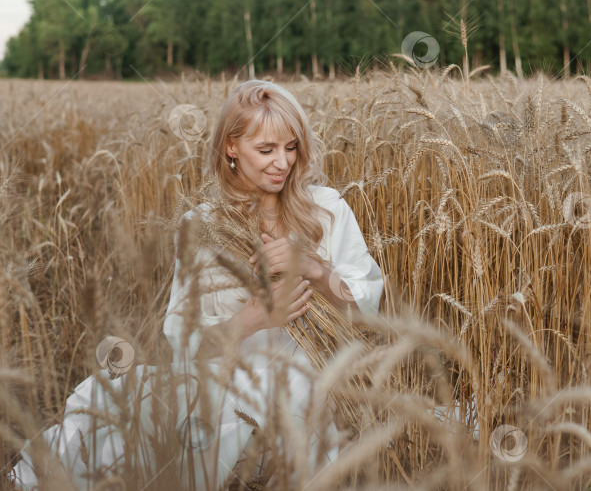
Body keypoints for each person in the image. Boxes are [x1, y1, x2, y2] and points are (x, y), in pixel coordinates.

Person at [10, 80, 385, 489]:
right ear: (231, 148)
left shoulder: (327, 210)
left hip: (310, 379)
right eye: (266, 150)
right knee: (112, 401)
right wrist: (255, 318)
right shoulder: (200, 227)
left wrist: (317, 270)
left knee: (231, 418)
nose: (283, 163)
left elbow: (364, 311)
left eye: (291, 147)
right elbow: (188, 344)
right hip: (219, 375)